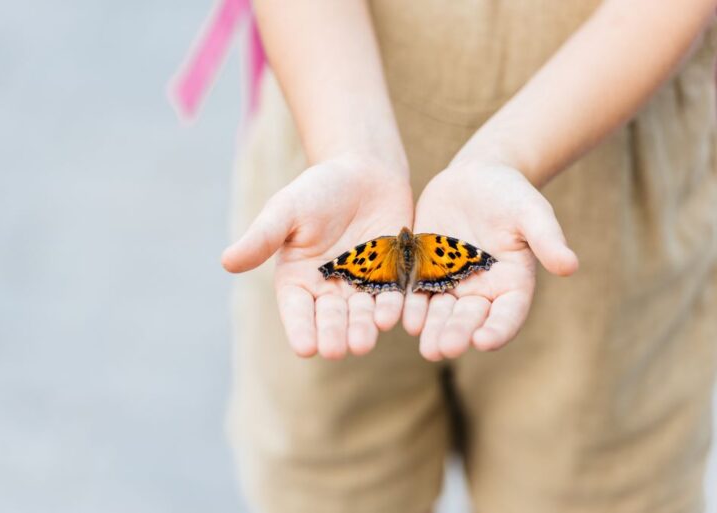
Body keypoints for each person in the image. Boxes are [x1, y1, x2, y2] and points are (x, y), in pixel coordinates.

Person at [219, 1, 717, 511]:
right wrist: (348, 149)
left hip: (614, 185)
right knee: (329, 482)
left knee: (595, 484)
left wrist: (506, 156)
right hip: (327, 159)